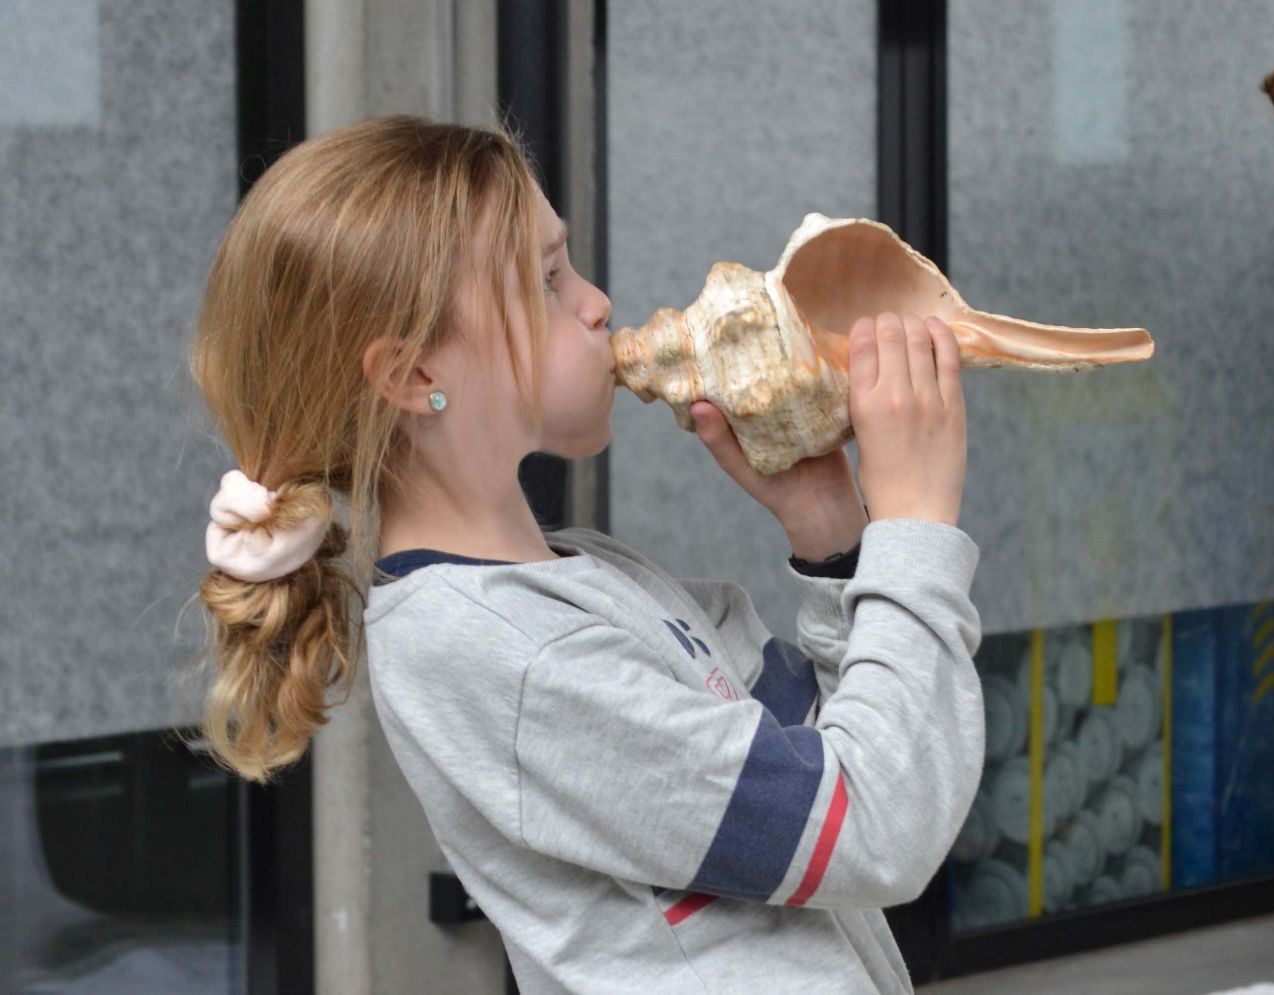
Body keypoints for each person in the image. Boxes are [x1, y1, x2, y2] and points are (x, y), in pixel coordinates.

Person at [188, 114, 982, 994]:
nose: (596, 302)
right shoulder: (505, 655)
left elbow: (843, 751)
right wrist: (918, 524)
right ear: (414, 374)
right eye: (546, 280)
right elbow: (872, 826)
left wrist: (835, 539)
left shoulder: (585, 577)